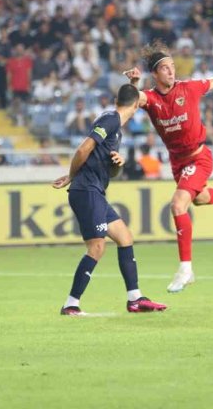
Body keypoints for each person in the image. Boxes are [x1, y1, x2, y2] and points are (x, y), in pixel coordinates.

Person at [124, 41, 213, 293]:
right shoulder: (151, 98)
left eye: (172, 66)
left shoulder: (189, 88)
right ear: (155, 74)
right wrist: (134, 84)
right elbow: (128, 103)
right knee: (200, 198)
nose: (172, 71)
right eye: (166, 68)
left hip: (199, 157)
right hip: (178, 163)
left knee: (178, 204)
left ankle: (186, 269)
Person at [51, 85, 167, 316]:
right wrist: (71, 176)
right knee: (97, 246)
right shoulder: (111, 120)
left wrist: (115, 164)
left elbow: (106, 168)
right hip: (86, 190)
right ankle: (71, 304)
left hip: (95, 190)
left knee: (124, 237)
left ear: (116, 100)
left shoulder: (113, 123)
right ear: (137, 106)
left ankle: (135, 298)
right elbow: (84, 149)